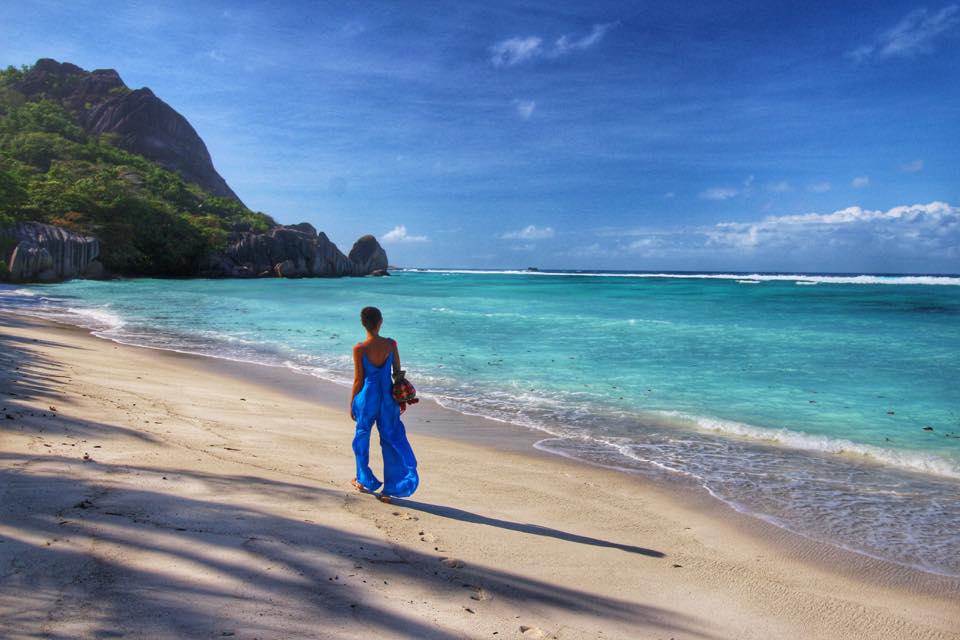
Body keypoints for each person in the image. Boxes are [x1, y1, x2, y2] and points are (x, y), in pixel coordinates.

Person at [349, 306, 419, 502]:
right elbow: (397, 372)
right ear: (380, 322)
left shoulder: (359, 349)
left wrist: (352, 402)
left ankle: (363, 480)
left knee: (362, 437)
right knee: (391, 439)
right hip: (388, 398)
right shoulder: (391, 344)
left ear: (363, 324)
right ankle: (391, 488)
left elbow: (358, 380)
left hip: (367, 397)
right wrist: (402, 398)